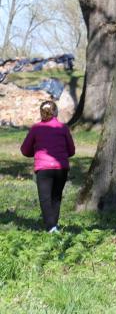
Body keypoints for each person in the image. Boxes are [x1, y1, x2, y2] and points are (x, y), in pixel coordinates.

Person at [20, 100, 75, 233]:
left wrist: (35, 153)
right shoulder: (63, 128)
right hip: (61, 168)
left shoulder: (36, 128)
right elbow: (71, 150)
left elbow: (25, 150)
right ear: (56, 112)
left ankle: (51, 227)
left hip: (43, 169)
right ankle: (53, 226)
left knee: (45, 198)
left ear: (41, 113)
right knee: (56, 197)